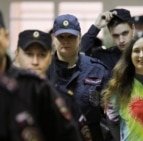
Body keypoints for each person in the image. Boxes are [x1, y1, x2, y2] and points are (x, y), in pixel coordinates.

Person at [0, 10, 83, 141]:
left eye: (41, 55)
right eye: (29, 54)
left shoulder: (45, 91)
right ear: (17, 54)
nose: (35, 62)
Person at [47, 14, 110, 141]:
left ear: (80, 37)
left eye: (71, 36)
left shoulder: (97, 70)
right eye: (61, 37)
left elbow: (111, 115)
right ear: (54, 39)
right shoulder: (44, 70)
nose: (66, 41)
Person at [102, 33, 143, 141]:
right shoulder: (119, 88)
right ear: (130, 55)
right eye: (136, 51)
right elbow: (112, 122)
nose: (142, 55)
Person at [80, 8, 135, 72]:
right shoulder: (104, 56)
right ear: (110, 33)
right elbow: (79, 54)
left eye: (125, 33)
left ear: (133, 29)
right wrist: (96, 27)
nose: (121, 40)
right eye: (116, 35)